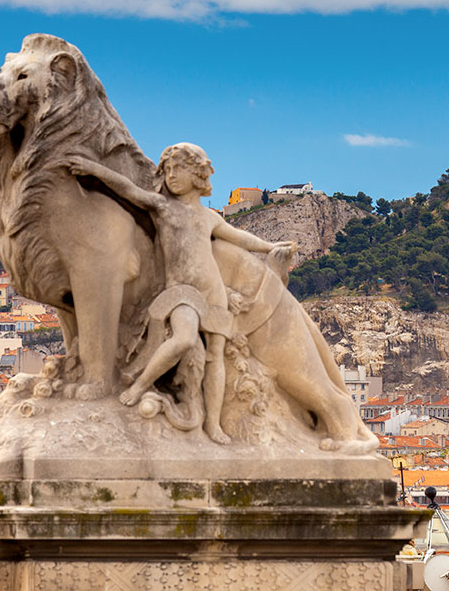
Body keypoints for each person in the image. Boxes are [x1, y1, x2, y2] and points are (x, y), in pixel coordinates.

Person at [66, 144, 295, 444]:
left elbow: (238, 236)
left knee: (215, 358)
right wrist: (94, 169)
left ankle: (213, 424)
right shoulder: (163, 208)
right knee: (184, 338)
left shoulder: (209, 217)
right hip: (180, 292)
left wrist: (269, 246)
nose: (172, 175)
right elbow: (127, 190)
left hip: (213, 292)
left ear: (198, 175)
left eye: (180, 169)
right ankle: (139, 385)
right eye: (168, 169)